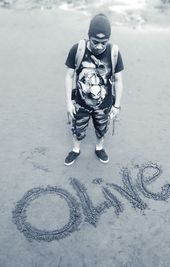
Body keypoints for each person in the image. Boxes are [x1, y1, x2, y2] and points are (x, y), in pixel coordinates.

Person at [64, 13, 124, 166]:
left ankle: (99, 148)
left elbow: (118, 80)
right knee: (78, 128)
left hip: (104, 105)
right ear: (88, 36)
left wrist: (117, 105)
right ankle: (76, 150)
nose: (99, 46)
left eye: (104, 42)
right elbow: (69, 75)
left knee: (101, 128)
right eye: (95, 41)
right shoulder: (78, 49)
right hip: (80, 103)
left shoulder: (114, 53)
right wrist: (69, 103)